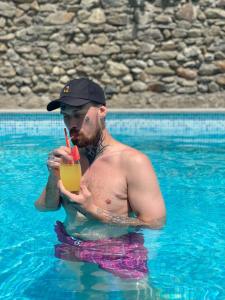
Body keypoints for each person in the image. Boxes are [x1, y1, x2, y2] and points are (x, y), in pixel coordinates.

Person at [35, 77, 166, 279]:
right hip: (71, 244)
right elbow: (45, 207)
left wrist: (93, 211)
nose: (72, 124)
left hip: (118, 250)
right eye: (66, 117)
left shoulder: (132, 162)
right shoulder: (70, 159)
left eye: (78, 115)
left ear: (102, 111)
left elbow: (155, 223)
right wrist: (53, 177)